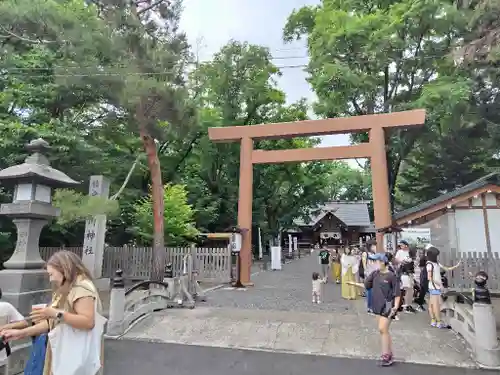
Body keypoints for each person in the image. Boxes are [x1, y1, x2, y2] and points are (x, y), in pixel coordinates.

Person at [1, 250, 104, 375]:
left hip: (75, 354)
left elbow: (88, 321)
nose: (51, 279)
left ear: (64, 269)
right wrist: (21, 333)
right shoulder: (67, 289)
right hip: (64, 352)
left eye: (51, 274)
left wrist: (55, 313)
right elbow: (52, 323)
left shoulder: (82, 288)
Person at [364, 253, 401, 366]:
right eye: (375, 262)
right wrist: (370, 275)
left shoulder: (391, 276)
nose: (376, 264)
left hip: (388, 306)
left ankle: (386, 355)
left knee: (382, 328)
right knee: (383, 331)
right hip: (377, 305)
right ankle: (389, 354)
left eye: (378, 261)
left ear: (383, 262)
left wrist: (395, 306)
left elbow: (397, 293)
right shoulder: (375, 274)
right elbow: (367, 285)